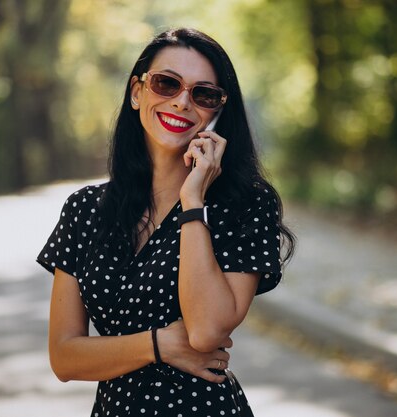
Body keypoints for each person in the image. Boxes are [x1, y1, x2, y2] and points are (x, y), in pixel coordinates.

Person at [37, 27, 295, 417]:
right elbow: (64, 357)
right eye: (166, 84)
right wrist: (159, 344)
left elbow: (207, 331)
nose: (182, 102)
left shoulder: (245, 205)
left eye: (204, 94)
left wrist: (194, 202)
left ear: (218, 111)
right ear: (137, 91)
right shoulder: (85, 210)